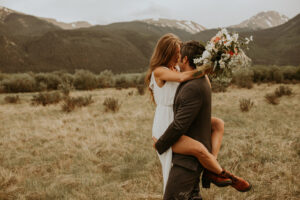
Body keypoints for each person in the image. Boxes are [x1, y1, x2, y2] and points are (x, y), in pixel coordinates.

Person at [146, 34, 251, 199]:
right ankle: (222, 173)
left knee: (217, 124)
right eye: (176, 52)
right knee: (198, 149)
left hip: (176, 116)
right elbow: (183, 77)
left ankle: (210, 168)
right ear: (167, 53)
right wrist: (203, 69)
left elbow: (197, 78)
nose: (179, 56)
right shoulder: (160, 71)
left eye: (180, 53)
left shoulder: (178, 68)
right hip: (165, 121)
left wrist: (210, 65)